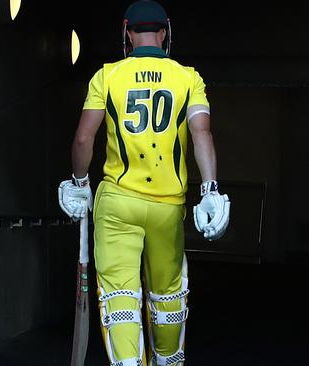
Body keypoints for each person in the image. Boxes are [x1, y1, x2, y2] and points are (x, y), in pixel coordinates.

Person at [58, 1, 230, 365]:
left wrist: (78, 181)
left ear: (127, 33)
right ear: (165, 32)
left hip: (118, 202)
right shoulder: (189, 78)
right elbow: (202, 134)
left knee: (120, 298)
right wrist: (210, 188)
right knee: (168, 297)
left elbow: (83, 139)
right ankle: (168, 359)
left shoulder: (106, 76)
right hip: (168, 206)